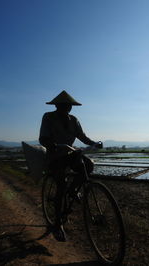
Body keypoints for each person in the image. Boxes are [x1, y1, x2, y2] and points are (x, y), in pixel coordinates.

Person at [39, 90, 102, 242]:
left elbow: (82, 136)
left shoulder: (74, 119)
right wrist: (54, 145)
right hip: (55, 156)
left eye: (69, 106)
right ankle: (57, 224)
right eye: (63, 105)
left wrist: (94, 143)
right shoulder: (48, 117)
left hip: (70, 154)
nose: (67, 108)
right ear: (57, 105)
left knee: (88, 165)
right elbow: (43, 138)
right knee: (61, 184)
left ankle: (73, 190)